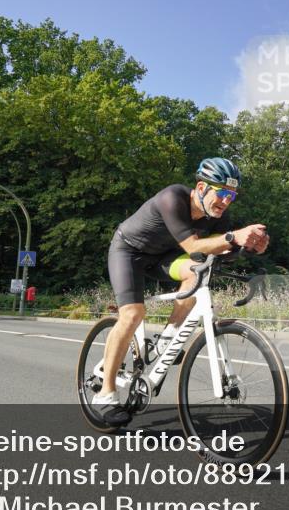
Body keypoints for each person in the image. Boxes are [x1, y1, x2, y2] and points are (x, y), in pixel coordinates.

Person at [93, 158, 270, 426]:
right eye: (221, 192)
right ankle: (105, 394)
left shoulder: (218, 217)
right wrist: (233, 237)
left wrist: (250, 245)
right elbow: (193, 246)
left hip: (163, 257)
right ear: (201, 187)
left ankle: (169, 337)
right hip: (128, 252)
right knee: (132, 314)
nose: (226, 201)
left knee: (197, 271)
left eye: (231, 195)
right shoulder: (172, 198)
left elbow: (219, 250)